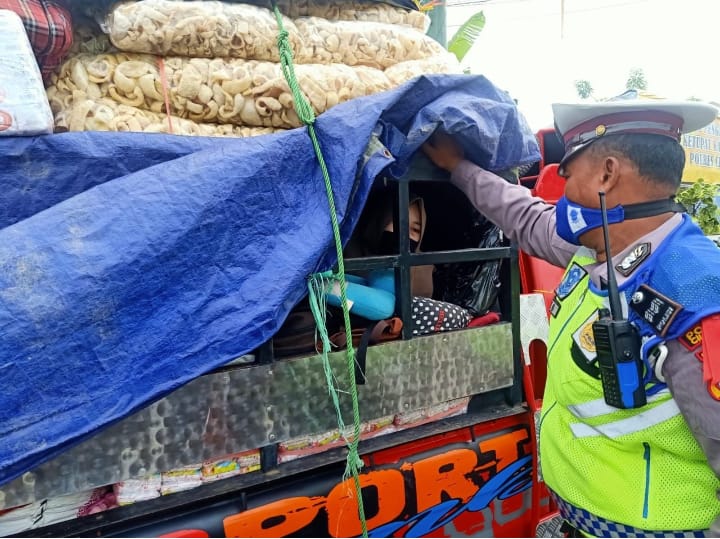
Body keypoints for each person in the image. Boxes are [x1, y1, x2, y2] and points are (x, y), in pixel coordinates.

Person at [422, 100, 720, 536]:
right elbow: (524, 217)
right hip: (583, 518)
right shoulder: (598, 245)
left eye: (567, 170)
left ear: (607, 173)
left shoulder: (693, 293)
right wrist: (456, 166)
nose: (560, 183)